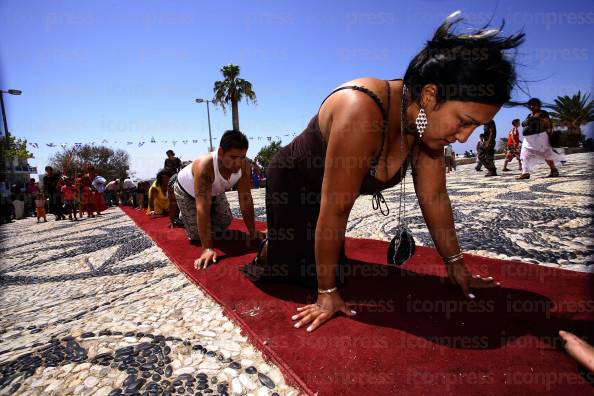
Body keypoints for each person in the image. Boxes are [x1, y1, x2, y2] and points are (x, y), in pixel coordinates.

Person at [240, 12, 521, 332]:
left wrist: (456, 266)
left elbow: (435, 197)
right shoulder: (361, 109)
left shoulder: (425, 128)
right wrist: (327, 294)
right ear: (430, 96)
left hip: (330, 195)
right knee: (294, 274)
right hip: (294, 179)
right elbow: (336, 208)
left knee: (336, 268)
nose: (463, 137)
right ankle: (270, 247)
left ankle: (286, 246)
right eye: (464, 121)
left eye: (475, 127)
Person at [174, 130, 264, 268]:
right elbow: (202, 208)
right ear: (221, 152)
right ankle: (184, 216)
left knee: (225, 220)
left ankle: (194, 217)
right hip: (187, 192)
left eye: (242, 157)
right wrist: (207, 249)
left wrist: (252, 232)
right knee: (197, 236)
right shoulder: (205, 166)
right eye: (233, 157)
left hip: (214, 190)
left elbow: (245, 200)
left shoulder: (244, 166)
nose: (238, 163)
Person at [517, 98, 560, 179]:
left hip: (540, 136)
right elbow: (523, 124)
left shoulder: (542, 113)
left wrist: (550, 134)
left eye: (534, 104)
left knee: (546, 154)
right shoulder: (529, 115)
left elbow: (548, 123)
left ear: (538, 105)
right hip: (528, 139)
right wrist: (528, 120)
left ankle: (554, 170)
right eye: (530, 105)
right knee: (524, 154)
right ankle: (525, 172)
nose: (531, 106)